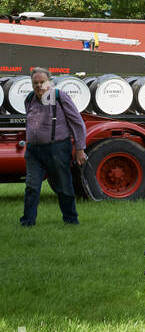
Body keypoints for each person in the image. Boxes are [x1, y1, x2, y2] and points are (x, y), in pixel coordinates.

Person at [21, 67, 87, 226]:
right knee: (31, 186)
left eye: (42, 82)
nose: (38, 86)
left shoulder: (58, 97)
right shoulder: (29, 98)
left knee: (63, 185)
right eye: (35, 83)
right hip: (33, 151)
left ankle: (71, 220)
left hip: (56, 148)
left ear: (49, 82)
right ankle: (27, 223)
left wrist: (80, 149)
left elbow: (77, 123)